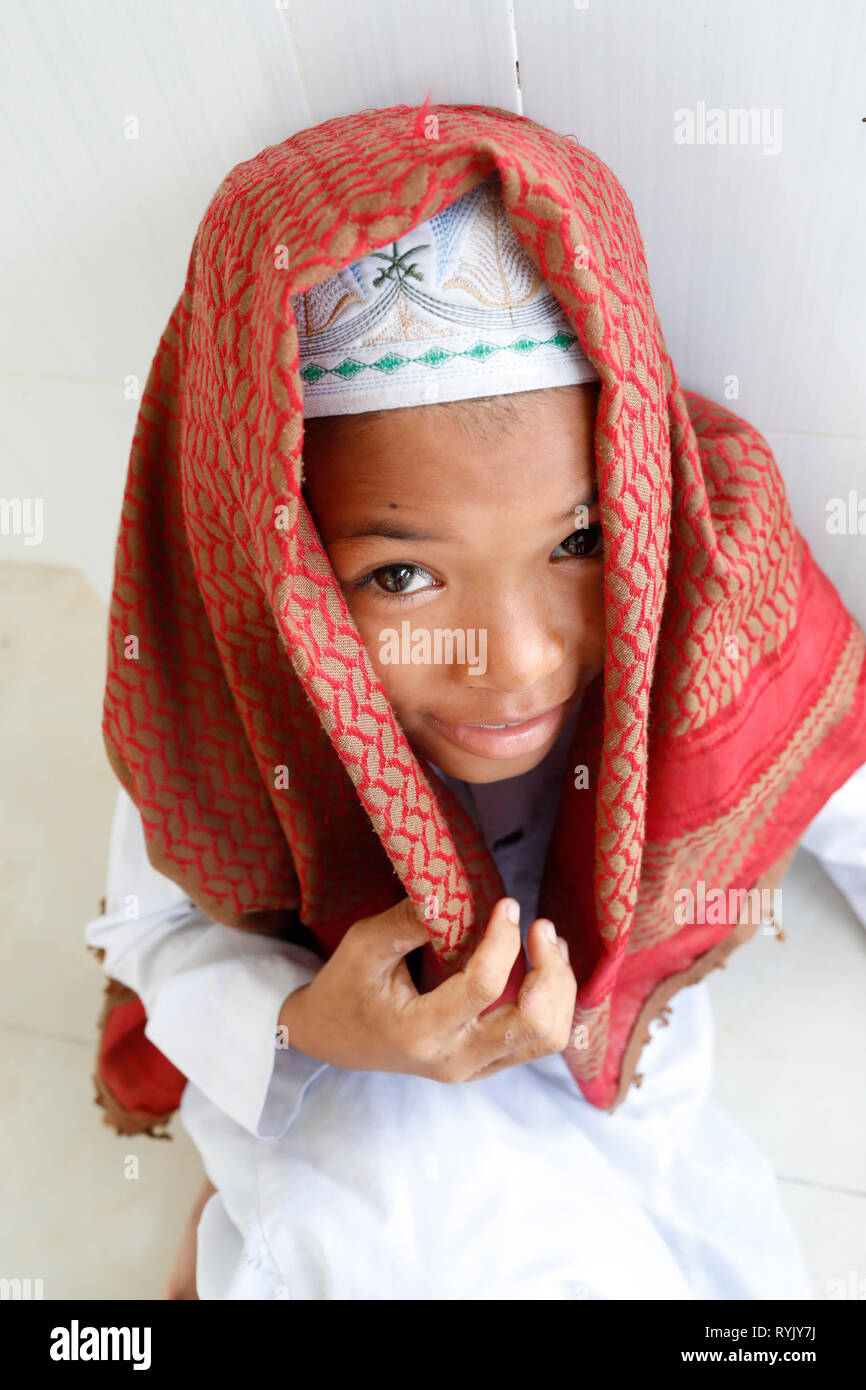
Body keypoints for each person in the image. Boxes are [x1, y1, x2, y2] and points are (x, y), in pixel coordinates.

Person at [85, 108, 866, 1300]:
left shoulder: (712, 577)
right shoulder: (231, 683)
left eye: (581, 540)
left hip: (620, 1057)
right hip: (363, 1067)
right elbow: (153, 929)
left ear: (643, 499)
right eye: (399, 573)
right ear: (274, 568)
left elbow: (831, 755)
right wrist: (305, 1027)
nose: (510, 664)